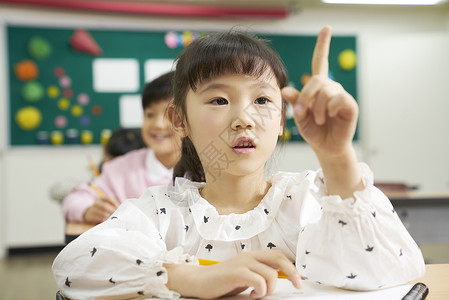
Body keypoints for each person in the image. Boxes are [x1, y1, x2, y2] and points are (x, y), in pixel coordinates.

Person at [52, 27, 425, 299]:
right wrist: (188, 278)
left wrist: (336, 156)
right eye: (219, 100)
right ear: (179, 120)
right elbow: (74, 267)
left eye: (262, 100)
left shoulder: (305, 202)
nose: (244, 118)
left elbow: (394, 269)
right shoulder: (163, 212)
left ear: (281, 120)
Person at [61, 71, 181, 224]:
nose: (158, 124)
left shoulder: (206, 169)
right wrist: (88, 210)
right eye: (150, 114)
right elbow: (73, 200)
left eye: (170, 115)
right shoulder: (119, 168)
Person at [48, 128, 145, 204]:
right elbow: (55, 190)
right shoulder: (91, 175)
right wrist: (88, 188)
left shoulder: (138, 181)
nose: (109, 164)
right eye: (109, 158)